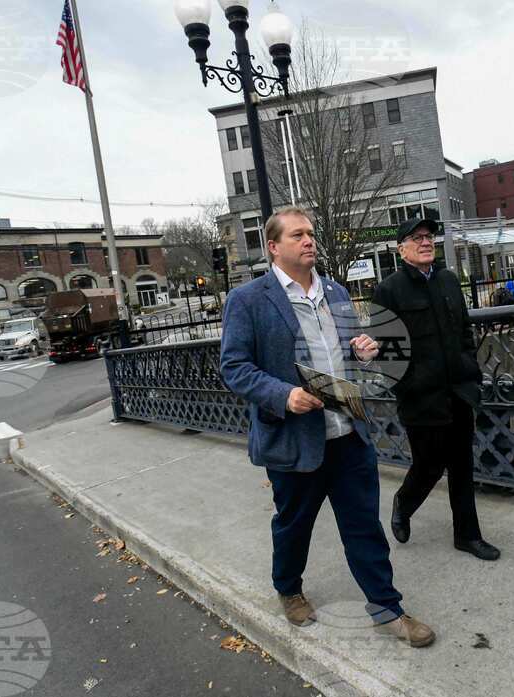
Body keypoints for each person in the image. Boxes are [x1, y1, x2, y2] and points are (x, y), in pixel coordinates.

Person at [219, 206, 436, 648]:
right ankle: (289, 588)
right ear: (273, 247)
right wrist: (284, 395)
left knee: (364, 527)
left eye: (311, 234)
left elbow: (348, 353)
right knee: (294, 524)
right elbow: (234, 367)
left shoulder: (335, 291)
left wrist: (363, 350)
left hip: (348, 434)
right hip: (294, 439)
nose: (309, 241)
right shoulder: (248, 299)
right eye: (298, 235)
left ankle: (387, 608)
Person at [372, 218, 501, 562]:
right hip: (421, 398)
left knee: (462, 465)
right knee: (428, 465)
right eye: (416, 238)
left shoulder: (448, 280)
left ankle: (467, 535)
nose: (426, 242)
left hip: (458, 391)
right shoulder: (389, 290)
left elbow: (465, 332)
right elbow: (389, 357)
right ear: (401, 249)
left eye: (429, 236)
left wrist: (470, 372)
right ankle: (404, 503)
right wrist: (410, 389)